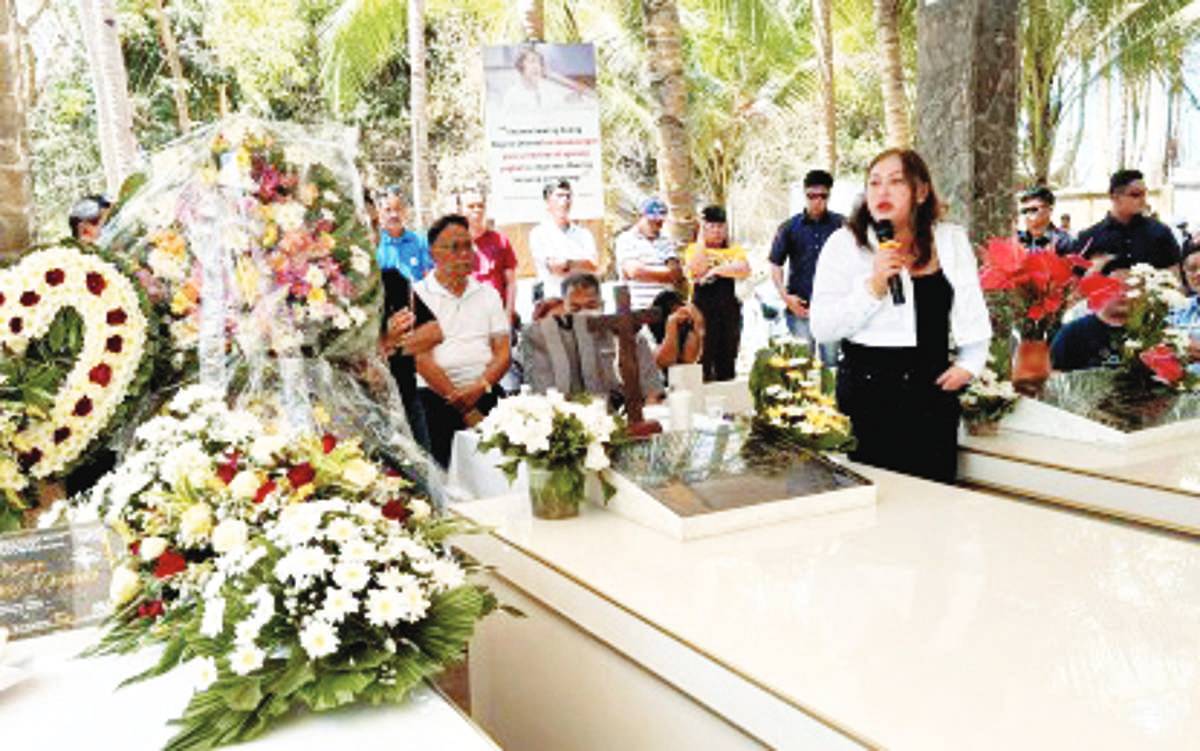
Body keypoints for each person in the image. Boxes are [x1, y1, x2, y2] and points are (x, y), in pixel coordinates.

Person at [810, 148, 991, 484]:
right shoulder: (844, 244)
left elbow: (971, 306)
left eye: (896, 182)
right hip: (868, 392)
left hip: (931, 393)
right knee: (876, 506)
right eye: (874, 183)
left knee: (932, 504)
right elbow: (823, 327)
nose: (882, 191)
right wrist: (874, 286)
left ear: (921, 191)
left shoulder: (950, 239)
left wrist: (970, 363)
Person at [414, 215, 511, 468]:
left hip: (484, 388)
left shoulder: (488, 294)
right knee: (442, 467)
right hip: (435, 394)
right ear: (434, 252)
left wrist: (480, 386)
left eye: (468, 246)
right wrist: (465, 408)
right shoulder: (417, 295)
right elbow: (421, 360)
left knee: (505, 460)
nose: (465, 254)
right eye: (454, 247)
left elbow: (503, 353)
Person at [521, 273, 664, 407]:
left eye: (591, 306)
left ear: (602, 305)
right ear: (564, 309)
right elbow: (544, 398)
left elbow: (653, 394)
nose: (583, 314)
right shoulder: (550, 346)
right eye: (575, 308)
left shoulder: (629, 338)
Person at [768, 169, 844, 363]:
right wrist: (786, 297)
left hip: (832, 310)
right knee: (801, 368)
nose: (817, 201)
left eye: (822, 196)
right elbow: (775, 263)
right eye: (811, 195)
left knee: (832, 366)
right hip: (800, 308)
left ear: (829, 196)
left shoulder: (842, 226)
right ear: (805, 194)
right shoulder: (789, 228)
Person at [380, 266, 442, 453]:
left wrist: (390, 345)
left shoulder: (391, 279)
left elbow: (434, 332)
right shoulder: (324, 292)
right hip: (353, 410)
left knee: (420, 476)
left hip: (405, 400)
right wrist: (383, 343)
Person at [685, 205, 750, 382]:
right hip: (703, 313)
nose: (716, 231)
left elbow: (743, 269)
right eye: (711, 226)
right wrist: (700, 238)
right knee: (703, 361)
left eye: (720, 226)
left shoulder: (734, 250)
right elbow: (697, 268)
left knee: (727, 362)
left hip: (728, 312)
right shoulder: (693, 249)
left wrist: (714, 271)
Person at [1072, 169, 1179, 268]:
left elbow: (1176, 274)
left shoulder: (1160, 232)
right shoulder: (1091, 238)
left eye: (1144, 194)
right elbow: (1075, 280)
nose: (1143, 200)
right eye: (1136, 195)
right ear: (1115, 197)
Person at [1049, 256, 1134, 371]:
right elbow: (1054, 378)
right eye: (1115, 287)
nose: (1123, 293)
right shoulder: (1072, 334)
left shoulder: (1152, 334)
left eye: (1129, 288)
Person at [528, 179, 599, 294]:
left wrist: (567, 263)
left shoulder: (584, 234)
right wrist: (579, 264)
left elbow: (592, 266)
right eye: (560, 196)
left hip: (580, 299)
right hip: (554, 300)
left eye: (568, 196)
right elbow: (555, 267)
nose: (565, 201)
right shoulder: (539, 234)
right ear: (548, 201)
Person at [459, 186, 518, 323]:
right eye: (471, 206)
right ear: (461, 210)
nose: (477, 210)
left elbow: (511, 283)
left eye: (480, 205)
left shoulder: (500, 240)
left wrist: (508, 315)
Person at [614, 197, 684, 310]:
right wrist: (667, 275)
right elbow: (635, 271)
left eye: (660, 220)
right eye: (652, 219)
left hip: (666, 308)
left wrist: (651, 273)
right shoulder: (626, 239)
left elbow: (676, 272)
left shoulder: (666, 240)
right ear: (641, 217)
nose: (657, 223)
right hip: (638, 308)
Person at [376, 186, 434, 281]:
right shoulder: (376, 248)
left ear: (405, 211)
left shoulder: (421, 242)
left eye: (398, 209)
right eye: (388, 210)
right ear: (379, 214)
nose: (394, 215)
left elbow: (431, 276)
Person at [645, 290, 704, 370]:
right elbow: (665, 361)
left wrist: (697, 324)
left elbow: (690, 359)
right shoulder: (646, 332)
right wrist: (672, 323)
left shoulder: (686, 324)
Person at [1016, 186, 1072, 253]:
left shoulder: (1062, 241)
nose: (1028, 215)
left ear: (1049, 210)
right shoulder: (1018, 240)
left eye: (1033, 210)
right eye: (1024, 211)